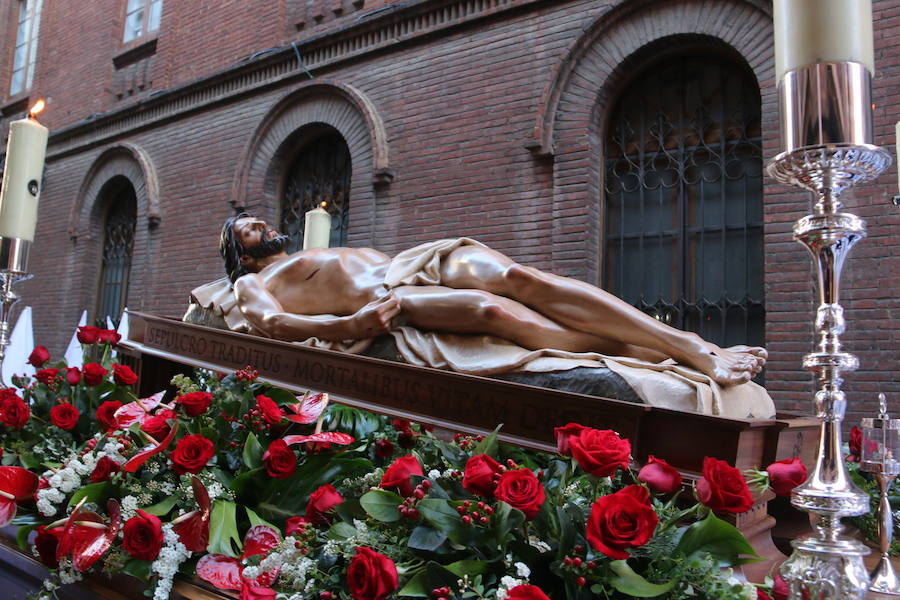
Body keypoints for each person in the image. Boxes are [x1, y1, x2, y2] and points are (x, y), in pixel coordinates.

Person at [220, 213, 766, 386]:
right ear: (240, 256)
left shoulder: (311, 250)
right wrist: (352, 325)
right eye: (248, 228)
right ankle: (645, 352)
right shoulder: (250, 284)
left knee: (523, 279)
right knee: (493, 313)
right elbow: (273, 324)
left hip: (416, 259)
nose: (262, 224)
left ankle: (684, 341)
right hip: (396, 298)